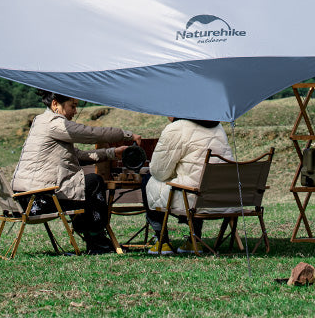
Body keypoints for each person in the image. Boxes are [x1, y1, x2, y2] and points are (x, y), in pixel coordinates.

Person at [12, 90, 142, 254]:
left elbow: (78, 155)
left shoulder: (41, 121)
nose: (75, 111)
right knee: (94, 182)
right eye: (72, 106)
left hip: (27, 197)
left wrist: (112, 153)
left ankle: (92, 236)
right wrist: (126, 135)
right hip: (40, 198)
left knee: (86, 187)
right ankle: (96, 238)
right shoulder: (55, 123)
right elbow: (91, 133)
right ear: (55, 104)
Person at [143, 117, 233, 254]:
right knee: (197, 183)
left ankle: (162, 240)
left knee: (148, 180)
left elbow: (159, 172)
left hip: (192, 198)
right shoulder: (218, 127)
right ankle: (194, 240)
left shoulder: (176, 128)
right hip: (223, 197)